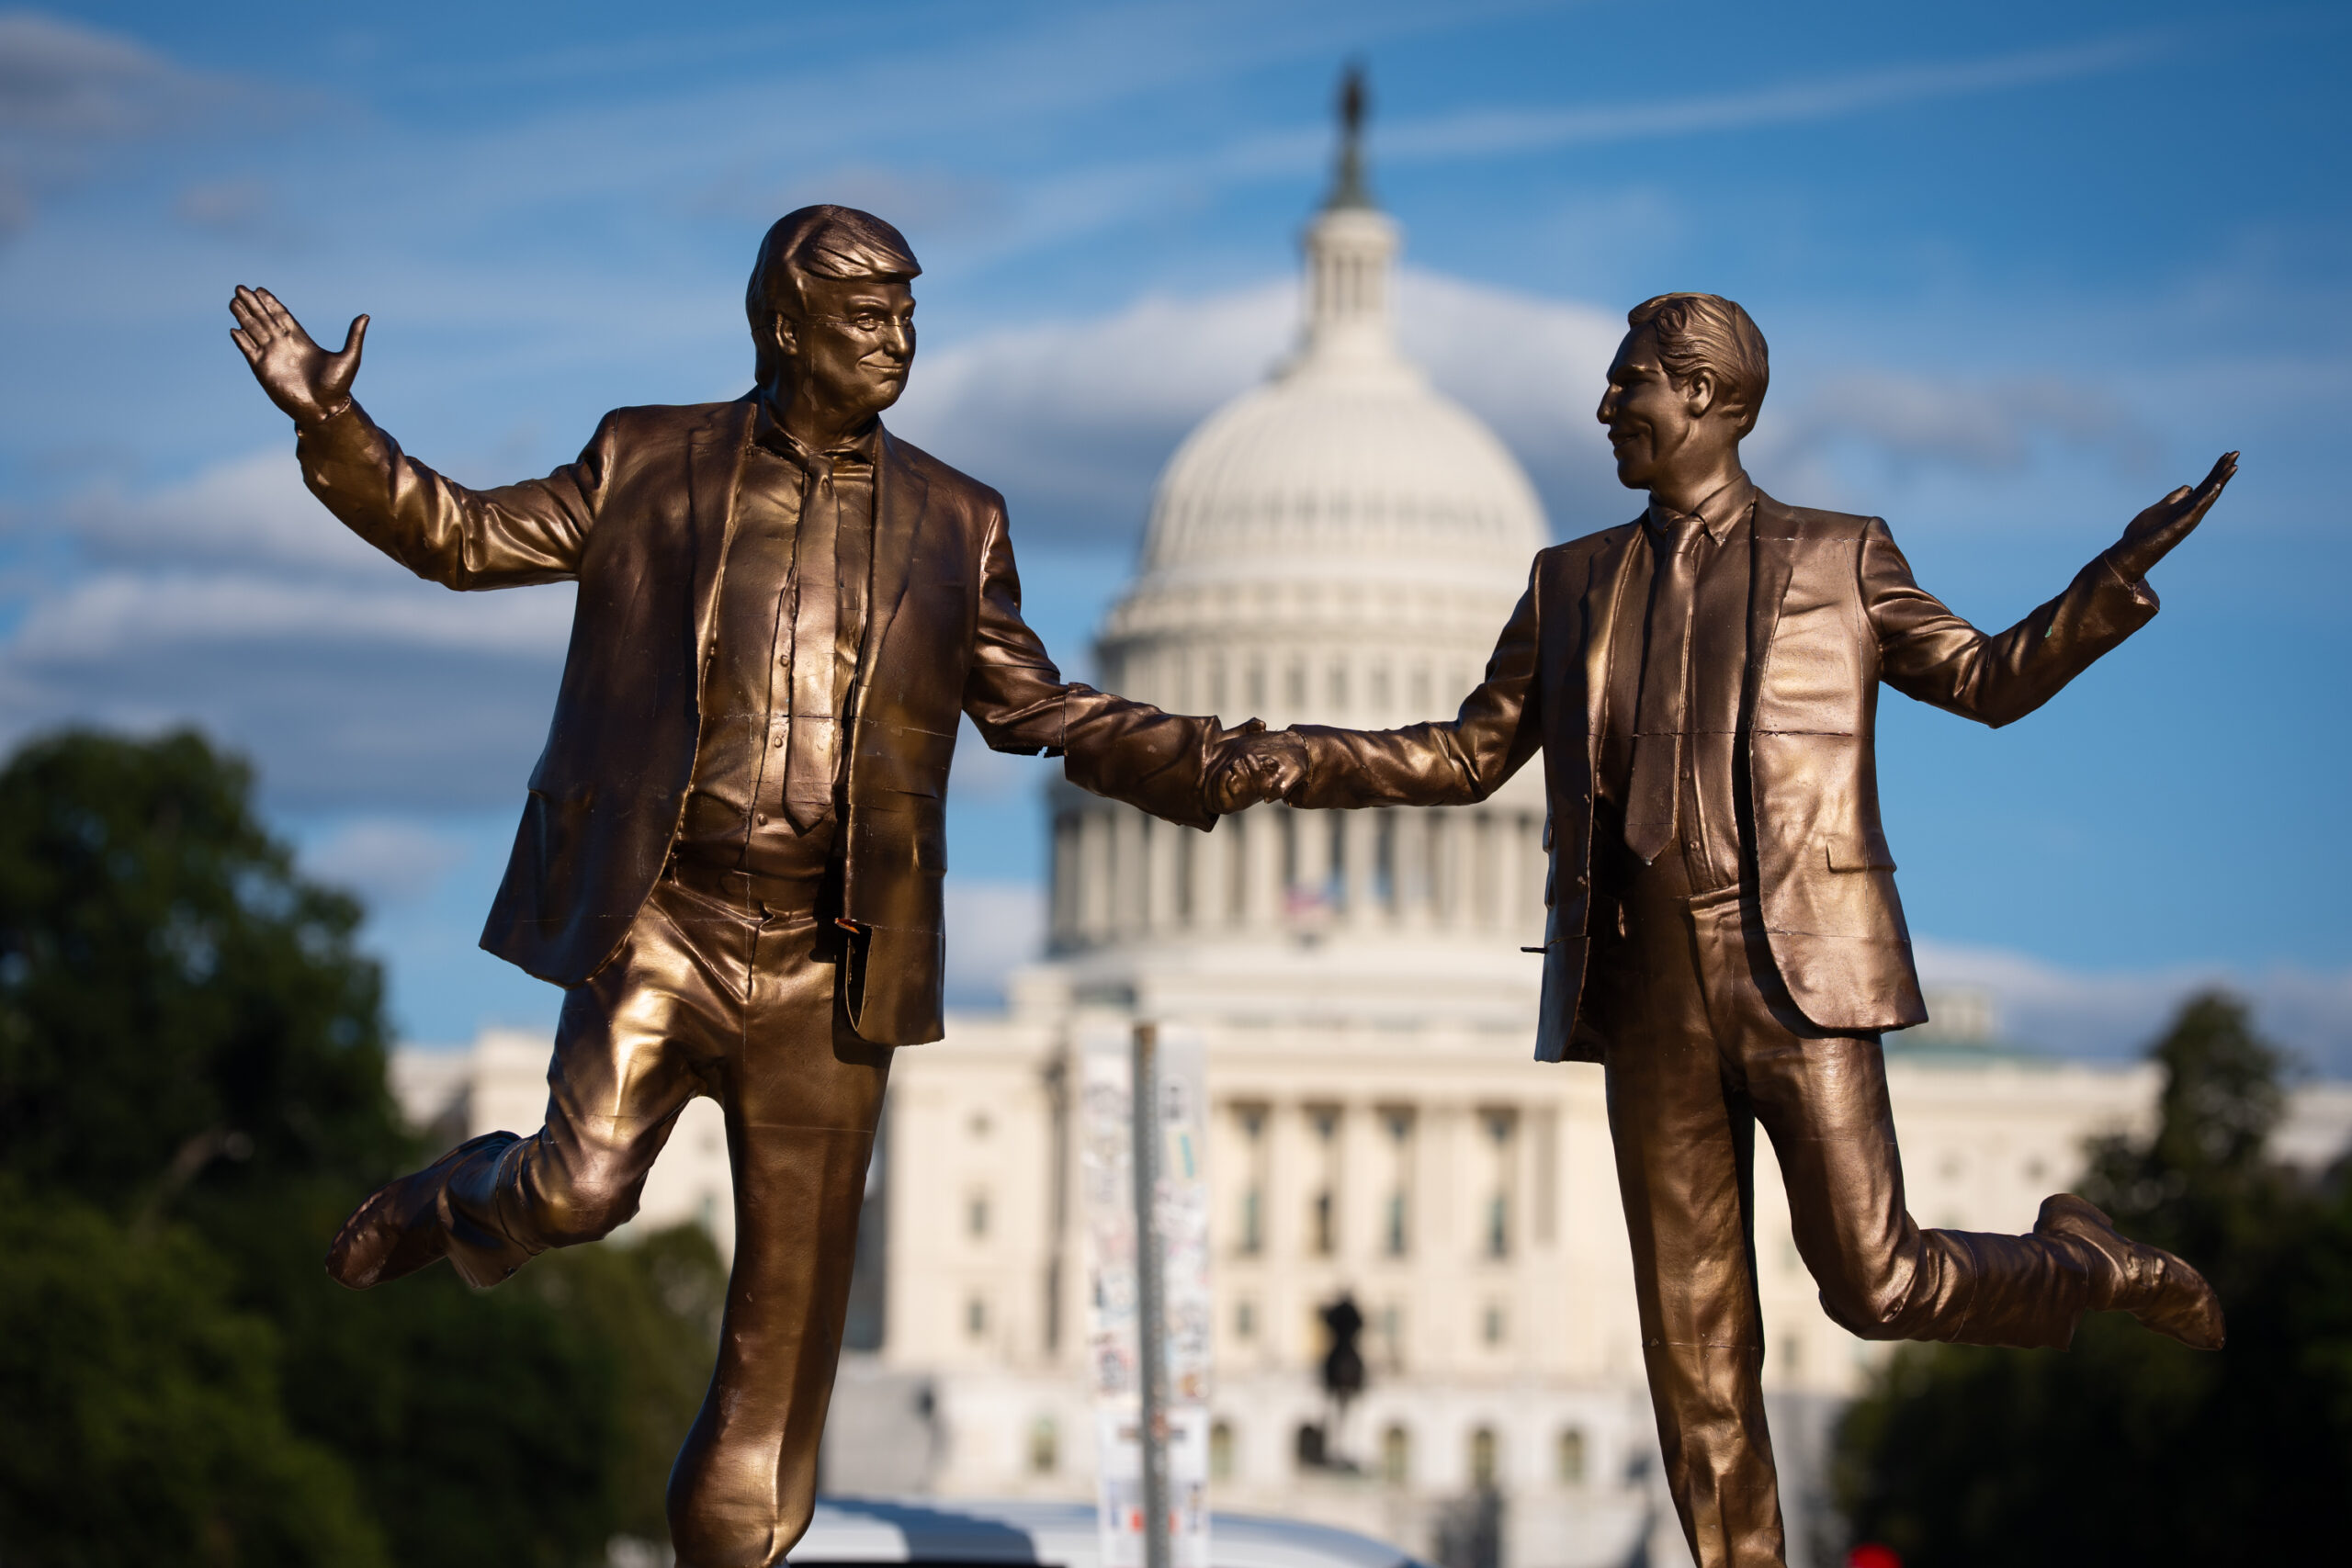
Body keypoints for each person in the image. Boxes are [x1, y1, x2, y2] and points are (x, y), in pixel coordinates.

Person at [228, 206, 1285, 1568]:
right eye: (866, 318)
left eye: (910, 316)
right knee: (580, 1189)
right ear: (783, 327)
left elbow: (1039, 713)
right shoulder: (651, 460)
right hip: (668, 915)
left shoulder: (959, 520)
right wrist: (339, 434)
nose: (899, 343)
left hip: (833, 966)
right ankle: (455, 1201)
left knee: (774, 1373)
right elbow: (466, 536)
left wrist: (1210, 759)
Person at [1213, 292, 2235, 1568]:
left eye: (1626, 383)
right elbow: (1466, 753)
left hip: (1796, 975)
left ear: (1703, 396)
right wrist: (1273, 759)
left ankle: (2089, 1266)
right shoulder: (1570, 577)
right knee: (1696, 1361)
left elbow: (1984, 681)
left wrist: (2107, 586)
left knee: (1876, 1284)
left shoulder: (1839, 556)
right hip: (1643, 990)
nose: (1603, 409)